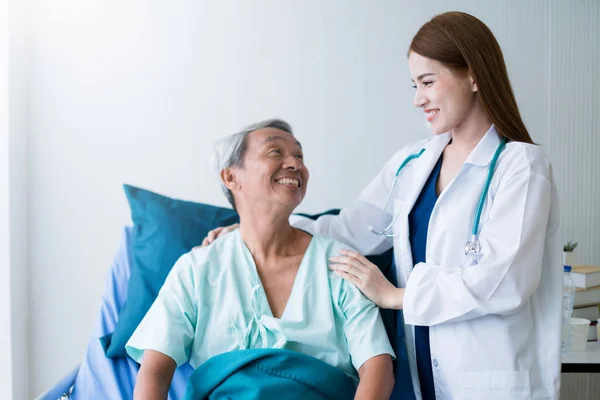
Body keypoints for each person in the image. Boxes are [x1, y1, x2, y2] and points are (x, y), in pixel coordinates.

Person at [201, 12, 562, 400]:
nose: (417, 98)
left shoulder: (520, 165)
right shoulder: (413, 163)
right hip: (427, 375)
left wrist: (394, 295)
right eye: (414, 84)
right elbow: (349, 231)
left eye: (427, 82)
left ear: (473, 76)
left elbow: (506, 281)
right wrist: (260, 231)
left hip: (496, 382)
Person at [126, 119, 395, 400]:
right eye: (275, 152)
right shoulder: (196, 268)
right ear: (231, 178)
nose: (294, 164)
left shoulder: (340, 263)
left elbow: (377, 364)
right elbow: (155, 369)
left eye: (299, 156)